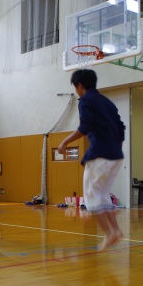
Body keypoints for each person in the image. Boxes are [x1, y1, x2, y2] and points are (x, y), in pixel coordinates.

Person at [57, 68, 125, 251]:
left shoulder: (86, 100)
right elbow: (121, 127)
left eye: (75, 87)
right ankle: (115, 230)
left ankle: (109, 233)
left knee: (91, 196)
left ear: (79, 85)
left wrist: (64, 142)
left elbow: (85, 126)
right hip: (116, 156)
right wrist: (114, 149)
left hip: (100, 155)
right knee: (103, 194)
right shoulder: (107, 102)